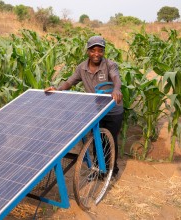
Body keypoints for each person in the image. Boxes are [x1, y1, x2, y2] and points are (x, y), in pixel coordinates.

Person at [45, 35, 123, 177]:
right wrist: (58, 89)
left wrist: (116, 89)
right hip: (96, 110)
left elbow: (116, 79)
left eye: (100, 50)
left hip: (113, 110)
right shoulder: (81, 68)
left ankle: (112, 170)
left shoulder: (110, 65)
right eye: (93, 50)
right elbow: (70, 82)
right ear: (88, 51)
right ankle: (99, 170)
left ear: (103, 52)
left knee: (110, 140)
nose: (96, 54)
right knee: (96, 139)